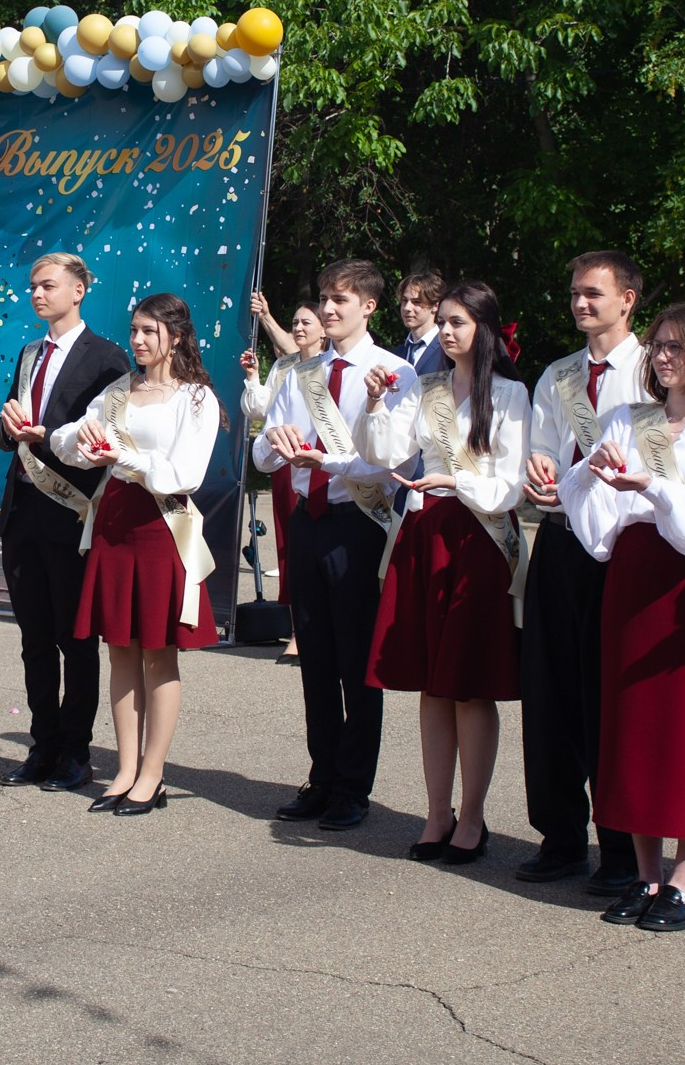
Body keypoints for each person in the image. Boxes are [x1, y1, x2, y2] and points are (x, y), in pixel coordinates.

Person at [562, 303, 685, 933]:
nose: (664, 356)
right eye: (660, 347)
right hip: (631, 578)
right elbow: (596, 529)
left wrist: (652, 486)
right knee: (631, 727)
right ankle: (645, 874)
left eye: (678, 347)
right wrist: (584, 478)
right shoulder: (628, 418)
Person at [360, 280, 528, 866]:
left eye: (458, 322)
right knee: (432, 682)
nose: (448, 332)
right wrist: (377, 403)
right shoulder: (426, 387)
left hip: (477, 539)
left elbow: (511, 483)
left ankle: (474, 815)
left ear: (483, 327)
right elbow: (385, 452)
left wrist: (458, 480)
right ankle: (437, 811)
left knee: (469, 683)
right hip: (424, 534)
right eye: (445, 322)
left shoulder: (508, 394)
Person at [52, 292, 222, 815]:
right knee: (120, 648)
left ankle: (153, 775)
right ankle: (124, 769)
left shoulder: (197, 398)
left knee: (157, 651)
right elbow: (65, 439)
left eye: (150, 331)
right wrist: (83, 442)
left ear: (176, 335)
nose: (139, 341)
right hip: (115, 518)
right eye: (134, 331)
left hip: (160, 525)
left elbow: (185, 475)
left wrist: (123, 453)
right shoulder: (119, 390)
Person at [516, 251, 651, 894]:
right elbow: (541, 452)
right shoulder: (559, 375)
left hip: (624, 549)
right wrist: (538, 477)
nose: (580, 303)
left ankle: (622, 850)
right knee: (551, 693)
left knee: (610, 700)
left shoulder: (656, 368)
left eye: (593, 293)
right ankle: (561, 836)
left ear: (627, 299)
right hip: (561, 543)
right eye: (574, 292)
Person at [257, 261, 406, 831]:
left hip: (358, 521)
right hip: (307, 521)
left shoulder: (392, 371)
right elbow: (262, 455)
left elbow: (393, 458)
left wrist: (333, 460)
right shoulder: (299, 373)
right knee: (314, 659)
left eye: (340, 299)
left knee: (354, 661)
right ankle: (321, 776)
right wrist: (273, 443)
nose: (328, 308)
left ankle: (352, 787)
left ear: (369, 306)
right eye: (323, 297)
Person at [0, 253, 131, 788]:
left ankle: (76, 751)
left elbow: (108, 442)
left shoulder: (106, 359)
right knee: (33, 638)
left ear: (78, 291)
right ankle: (41, 745)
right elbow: (10, 426)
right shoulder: (30, 353)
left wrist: (41, 434)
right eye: (32, 286)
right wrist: (7, 430)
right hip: (23, 510)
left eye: (47, 285)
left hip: (71, 513)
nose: (36, 294)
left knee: (76, 639)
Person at [242, 300, 325, 664]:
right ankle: (297, 629)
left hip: (323, 468)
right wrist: (253, 378)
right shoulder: (284, 365)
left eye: (306, 322)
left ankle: (318, 629)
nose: (298, 328)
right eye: (295, 322)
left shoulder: (330, 366)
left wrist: (264, 314)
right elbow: (263, 411)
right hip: (285, 467)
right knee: (290, 546)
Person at [394, 270, 448, 378]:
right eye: (404, 300)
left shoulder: (447, 350)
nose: (407, 308)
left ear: (435, 306)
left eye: (416, 302)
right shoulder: (397, 354)